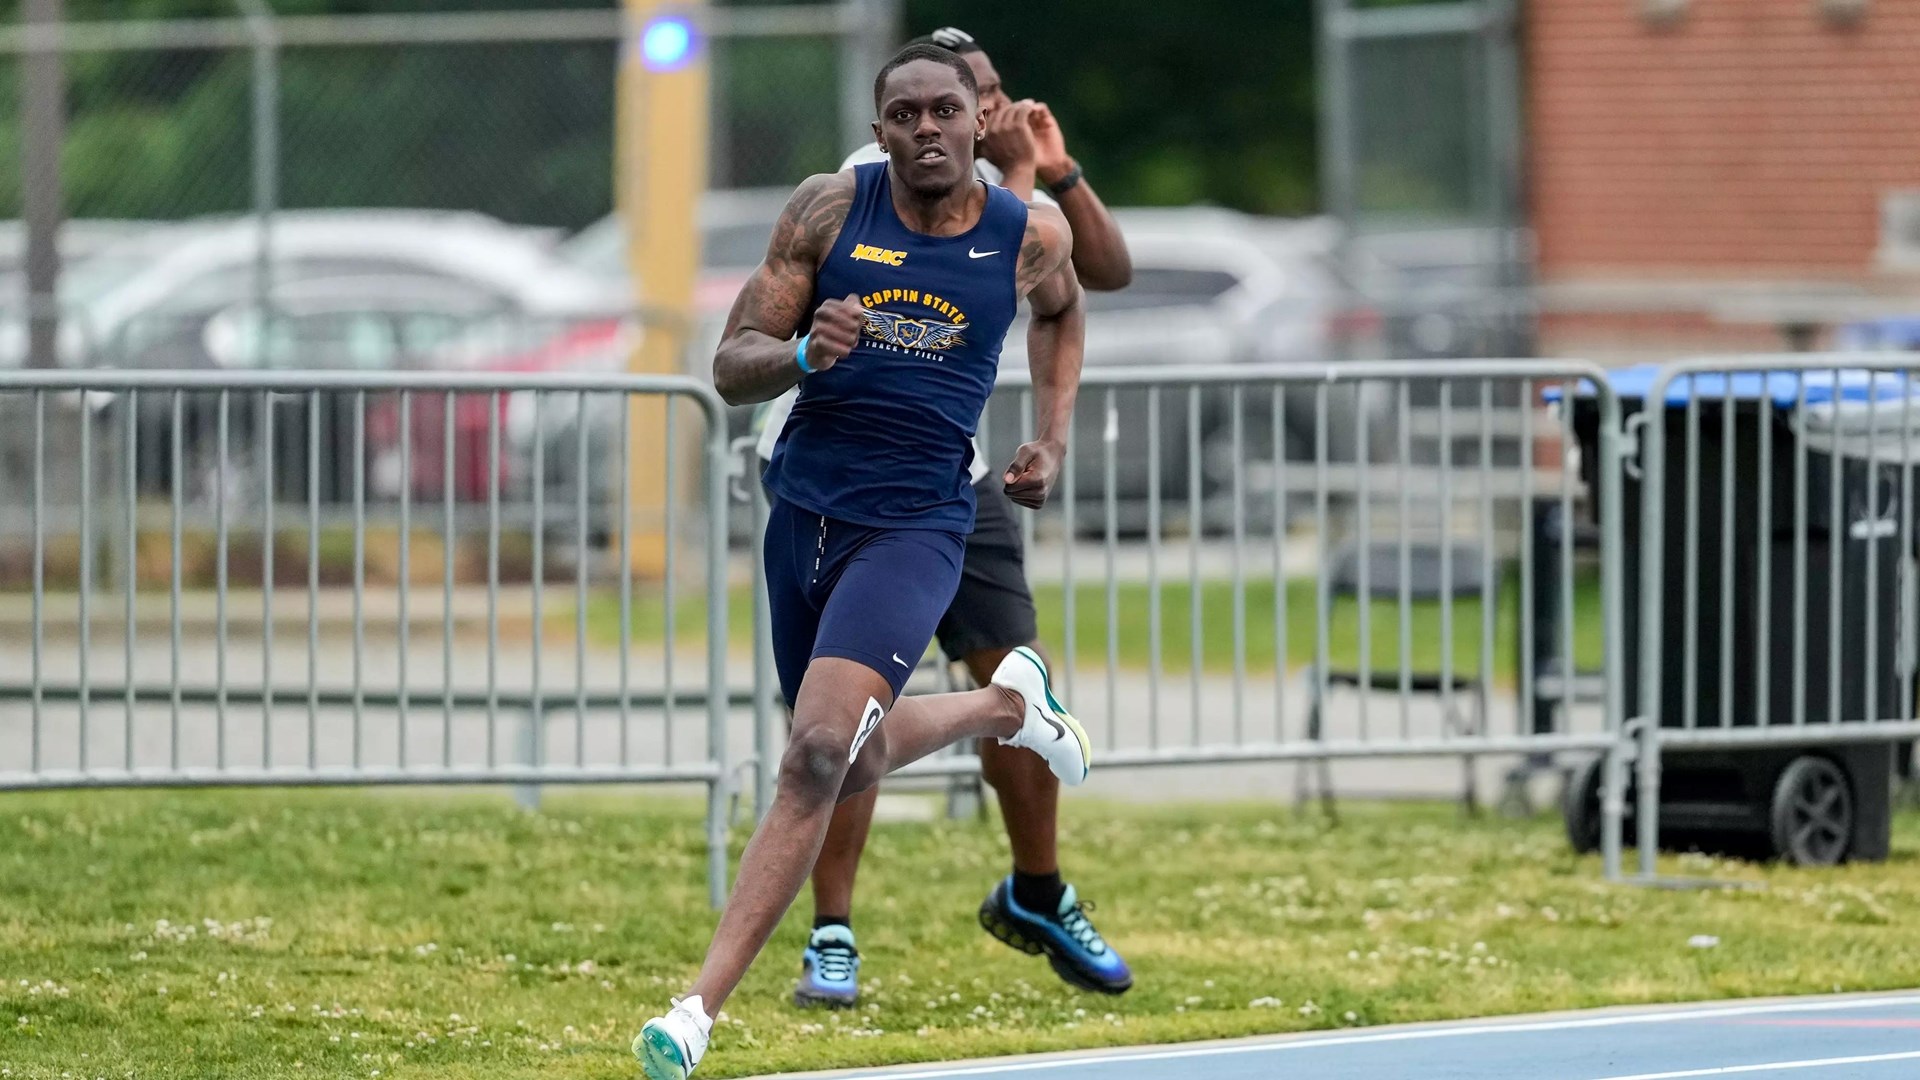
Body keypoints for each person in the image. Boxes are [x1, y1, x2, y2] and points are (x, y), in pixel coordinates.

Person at [633, 43, 1091, 1080]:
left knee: (811, 758)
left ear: (980, 124)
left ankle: (695, 1013)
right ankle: (1005, 710)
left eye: (944, 112)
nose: (926, 129)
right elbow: (730, 363)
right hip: (802, 513)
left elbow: (1066, 311)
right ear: (879, 128)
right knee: (842, 759)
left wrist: (1052, 436)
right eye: (903, 115)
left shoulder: (1028, 233)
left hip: (917, 526)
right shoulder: (829, 212)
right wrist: (801, 353)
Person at [752, 26, 1136, 1012]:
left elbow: (1092, 281)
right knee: (844, 715)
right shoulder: (866, 185)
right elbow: (754, 339)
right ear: (904, 115)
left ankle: (1038, 891)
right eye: (976, 95)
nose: (988, 112)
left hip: (954, 485)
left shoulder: (1008, 200)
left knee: (1018, 663)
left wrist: (1049, 437)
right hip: (835, 486)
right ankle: (831, 932)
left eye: (990, 98)